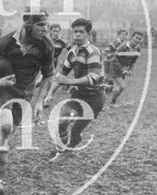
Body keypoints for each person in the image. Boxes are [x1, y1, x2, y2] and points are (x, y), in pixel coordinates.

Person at [0, 10, 54, 195]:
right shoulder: (5, 42)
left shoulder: (46, 46)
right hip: (4, 89)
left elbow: (48, 75)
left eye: (46, 24)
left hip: (24, 94)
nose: (45, 29)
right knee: (5, 128)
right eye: (41, 25)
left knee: (7, 130)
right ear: (28, 26)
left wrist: (39, 102)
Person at [44, 18, 105, 161]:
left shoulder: (93, 52)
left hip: (95, 99)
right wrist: (49, 94)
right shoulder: (72, 52)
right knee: (62, 122)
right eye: (75, 31)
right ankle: (61, 152)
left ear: (87, 35)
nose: (77, 34)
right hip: (78, 96)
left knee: (76, 131)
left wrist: (70, 81)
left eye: (81, 32)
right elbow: (61, 75)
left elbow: (93, 78)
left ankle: (70, 146)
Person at [109, 31, 143, 105]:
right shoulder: (123, 47)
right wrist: (122, 69)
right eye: (136, 38)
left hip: (123, 70)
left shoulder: (138, 50)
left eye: (139, 39)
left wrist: (130, 70)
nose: (137, 40)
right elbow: (115, 59)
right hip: (115, 68)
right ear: (132, 37)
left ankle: (110, 97)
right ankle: (112, 102)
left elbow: (133, 62)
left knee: (118, 87)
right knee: (121, 86)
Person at [103, 29, 128, 93]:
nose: (123, 36)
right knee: (108, 77)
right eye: (122, 34)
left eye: (125, 34)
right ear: (118, 35)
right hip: (109, 62)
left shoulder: (125, 44)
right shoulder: (115, 43)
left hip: (118, 63)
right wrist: (112, 57)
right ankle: (101, 87)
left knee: (118, 76)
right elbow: (106, 51)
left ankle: (109, 90)